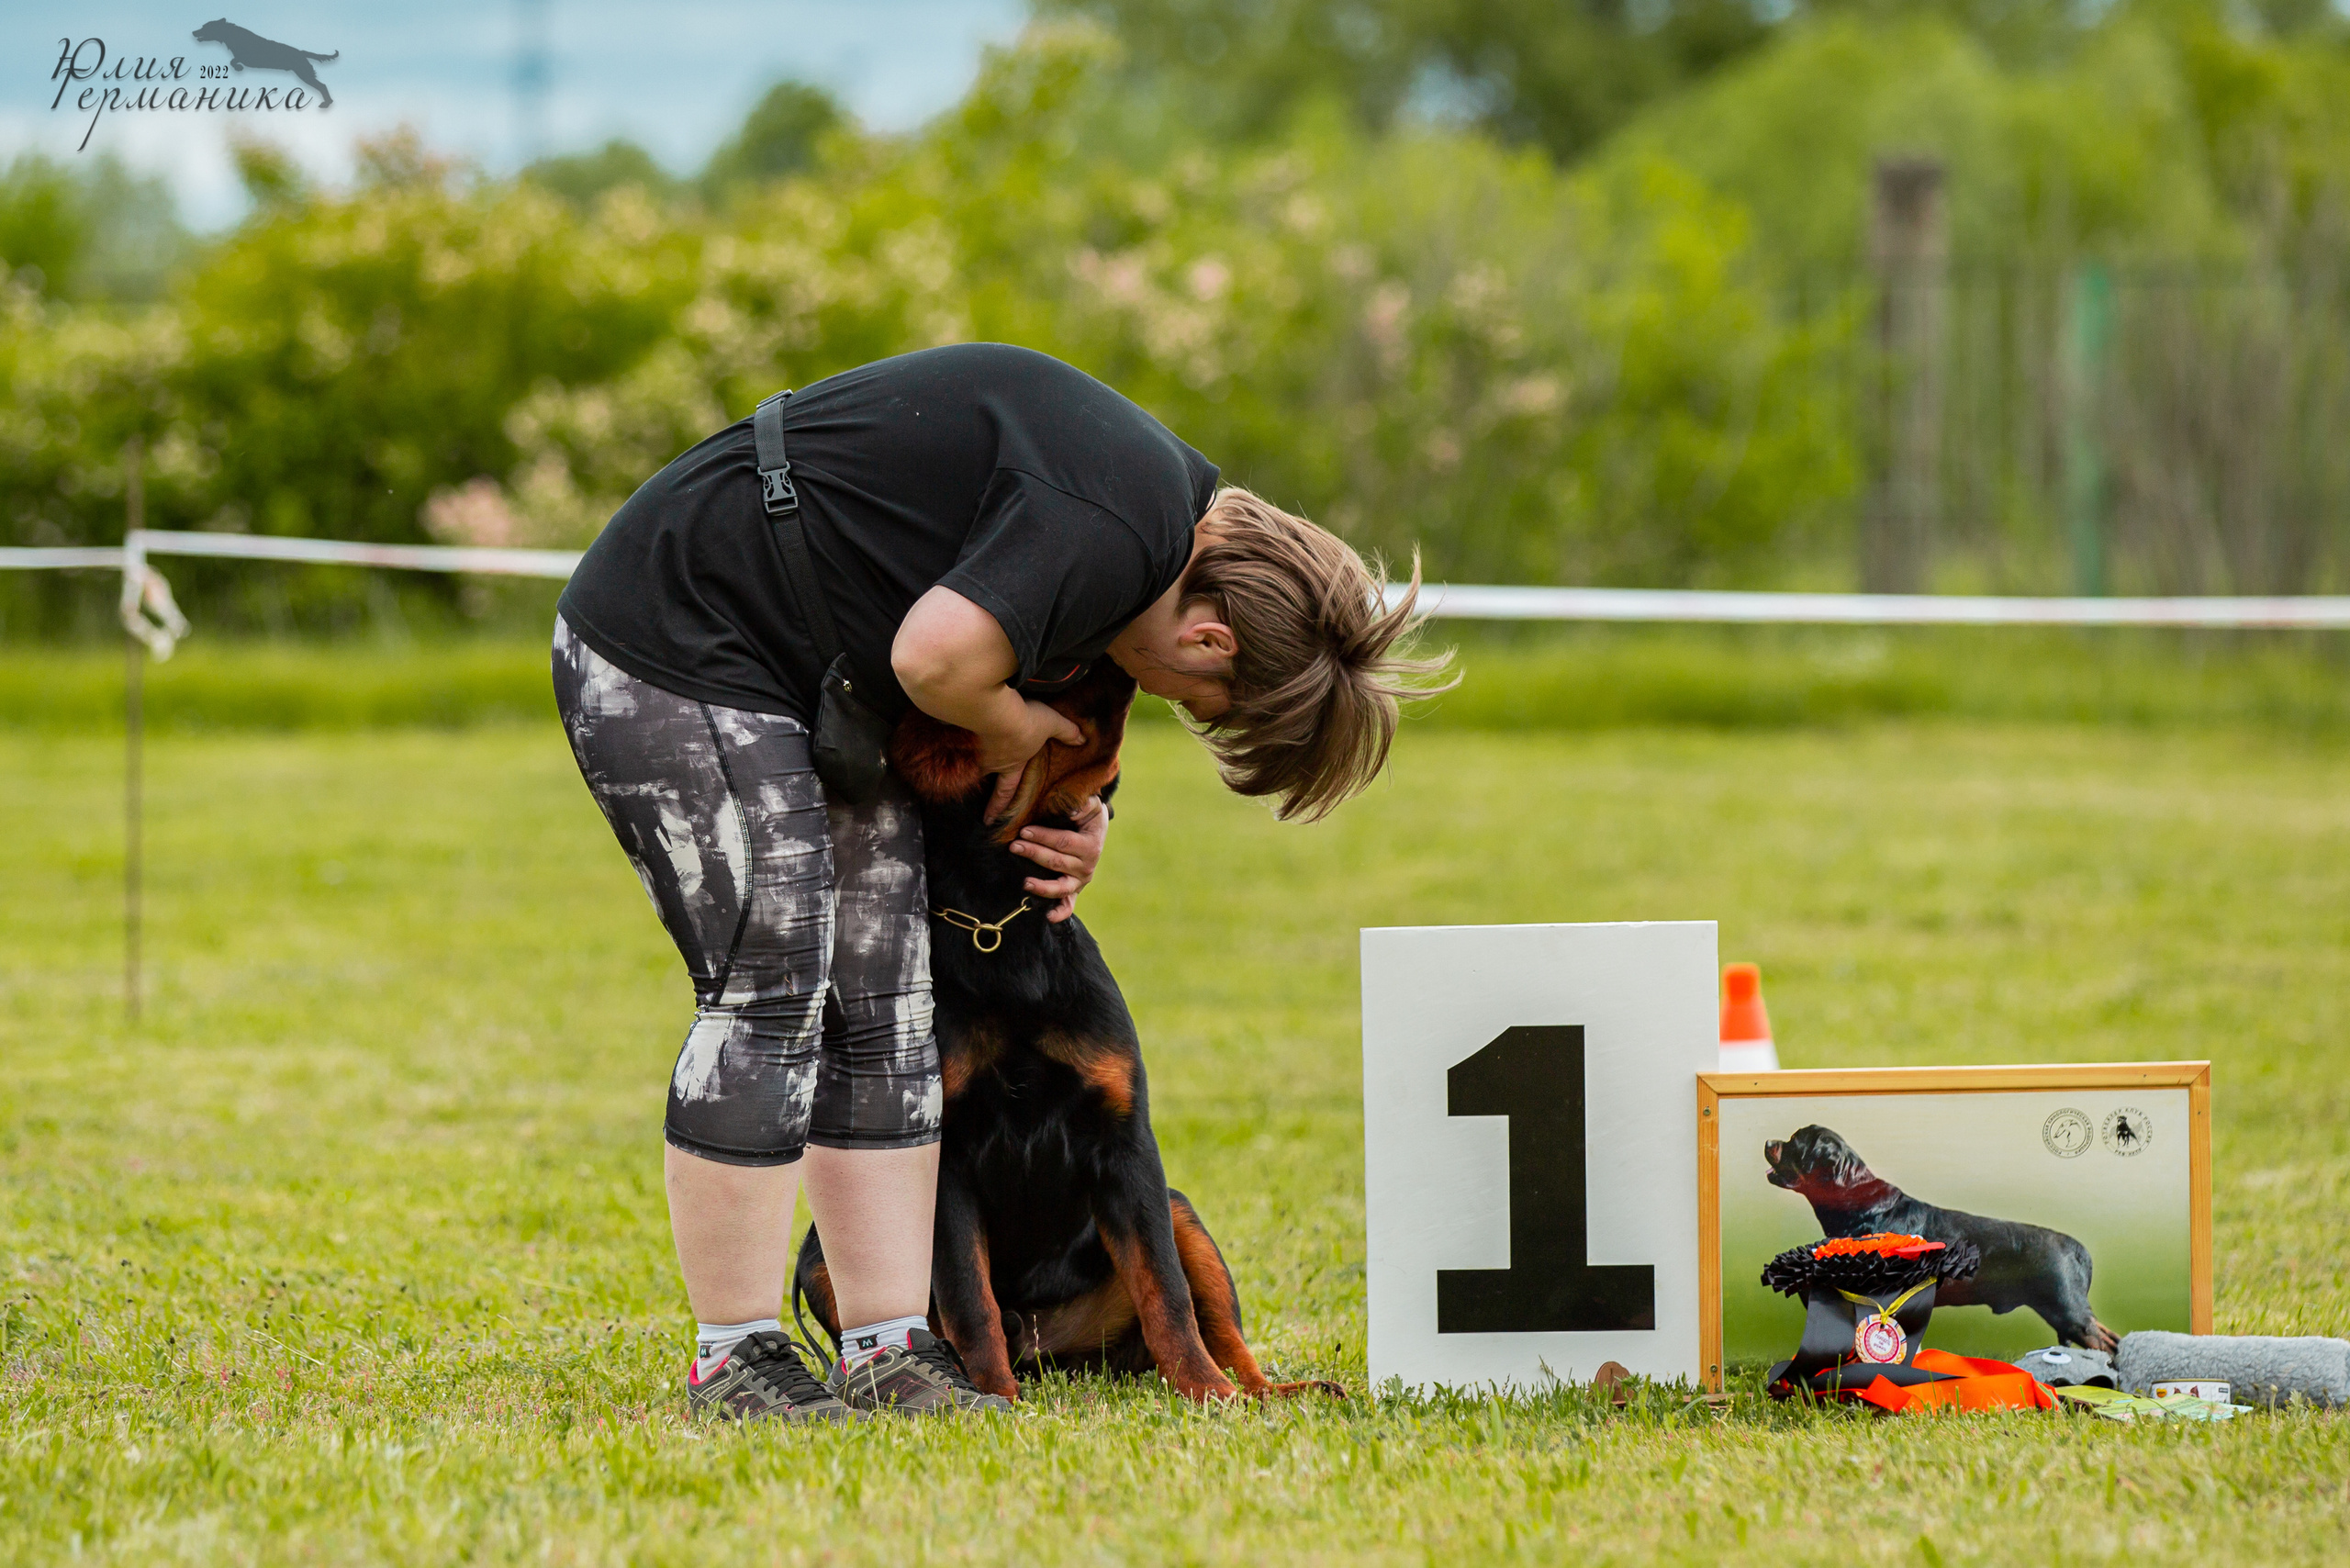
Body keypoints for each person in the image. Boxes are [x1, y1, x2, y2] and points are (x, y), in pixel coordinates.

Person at [551, 342, 1447, 1422]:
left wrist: (1088, 809)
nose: (1177, 706)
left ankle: (890, 1347)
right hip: (675, 633)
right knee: (777, 976)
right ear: (1211, 636)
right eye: (1205, 706)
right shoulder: (1120, 528)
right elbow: (938, 661)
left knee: (887, 997)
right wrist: (1016, 723)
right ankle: (734, 1357)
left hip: (806, 674)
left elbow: (1040, 672)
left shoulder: (1158, 532)